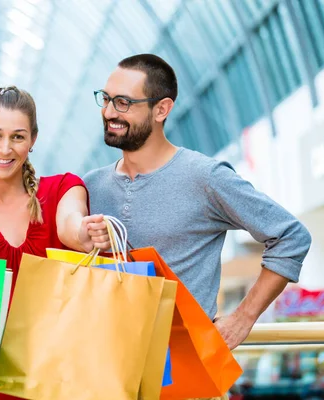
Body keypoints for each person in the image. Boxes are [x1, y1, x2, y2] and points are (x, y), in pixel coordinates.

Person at [83, 54, 312, 354]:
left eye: (124, 102)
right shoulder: (90, 185)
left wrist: (243, 318)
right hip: (108, 371)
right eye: (106, 99)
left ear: (161, 109)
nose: (110, 111)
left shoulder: (204, 176)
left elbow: (291, 236)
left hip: (187, 374)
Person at [0, 86, 105, 400]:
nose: (5, 148)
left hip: (73, 385)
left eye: (18, 136)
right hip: (0, 388)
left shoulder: (62, 189)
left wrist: (83, 233)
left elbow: (70, 224)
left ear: (33, 140)